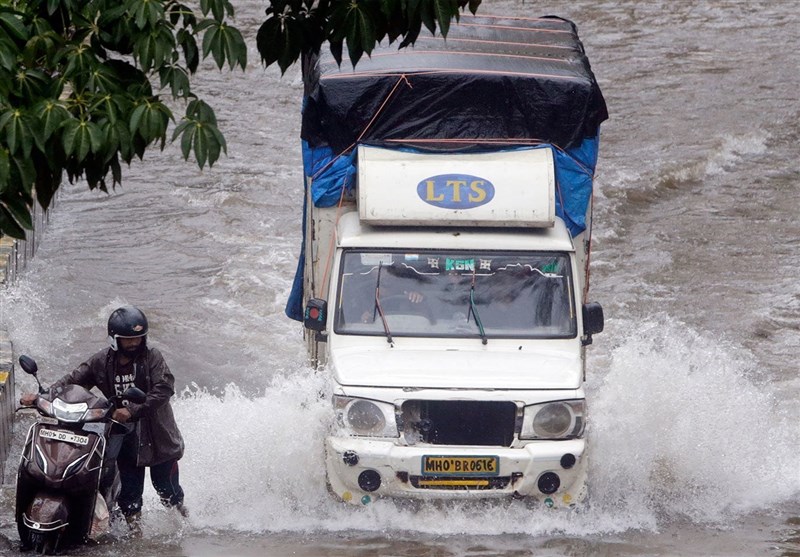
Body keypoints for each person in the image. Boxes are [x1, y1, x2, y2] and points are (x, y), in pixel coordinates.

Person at [20, 306, 186, 530]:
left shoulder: (152, 357)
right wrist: (43, 397)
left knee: (168, 491)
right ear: (114, 340)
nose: (134, 344)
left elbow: (164, 389)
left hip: (158, 436)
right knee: (129, 496)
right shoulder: (101, 361)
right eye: (128, 340)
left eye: (138, 338)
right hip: (124, 436)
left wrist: (132, 410)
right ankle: (135, 536)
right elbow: (72, 381)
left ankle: (184, 527)